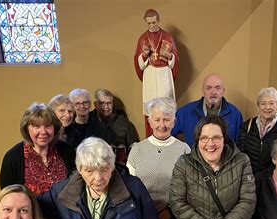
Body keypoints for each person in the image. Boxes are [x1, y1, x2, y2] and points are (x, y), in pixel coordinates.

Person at [0, 103, 76, 196]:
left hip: (65, 210)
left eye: (48, 126)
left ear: (54, 128)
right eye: (36, 126)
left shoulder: (67, 151)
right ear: (27, 129)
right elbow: (8, 197)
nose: (43, 132)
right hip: (31, 210)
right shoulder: (13, 157)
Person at [134, 8, 179, 136]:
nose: (152, 26)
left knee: (166, 109)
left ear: (158, 20)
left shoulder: (167, 36)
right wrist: (143, 54)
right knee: (151, 110)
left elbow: (175, 59)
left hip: (164, 74)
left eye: (154, 22)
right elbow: (139, 65)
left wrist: (169, 56)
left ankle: (167, 137)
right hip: (150, 74)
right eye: (149, 23)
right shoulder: (143, 38)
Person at [172, 74, 244, 146]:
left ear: (223, 91)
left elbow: (240, 145)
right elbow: (168, 133)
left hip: (225, 157)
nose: (213, 92)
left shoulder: (235, 114)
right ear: (203, 91)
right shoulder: (186, 112)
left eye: (217, 88)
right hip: (194, 157)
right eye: (208, 88)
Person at [237, 87, 277, 174]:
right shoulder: (247, 126)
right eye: (263, 103)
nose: (267, 107)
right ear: (258, 107)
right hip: (248, 177)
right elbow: (240, 153)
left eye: (271, 103)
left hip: (271, 179)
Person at [92, 89, 140, 163]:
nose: (106, 107)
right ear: (96, 104)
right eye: (102, 103)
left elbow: (135, 149)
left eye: (109, 103)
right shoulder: (89, 122)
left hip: (119, 168)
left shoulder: (125, 125)